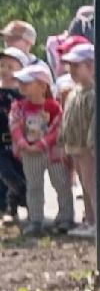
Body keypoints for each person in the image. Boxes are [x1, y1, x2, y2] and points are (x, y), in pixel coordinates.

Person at [9, 62, 69, 236]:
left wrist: (42, 144)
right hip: (29, 152)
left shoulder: (54, 107)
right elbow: (15, 126)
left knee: (61, 183)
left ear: (43, 86)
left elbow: (58, 128)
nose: (22, 86)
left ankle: (65, 216)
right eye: (20, 83)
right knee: (34, 185)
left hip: (52, 152)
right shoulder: (18, 107)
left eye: (27, 83)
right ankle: (35, 218)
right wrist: (23, 144)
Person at [58, 42, 97, 237]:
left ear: (91, 66)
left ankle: (99, 221)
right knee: (85, 186)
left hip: (88, 149)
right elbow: (66, 119)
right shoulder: (73, 92)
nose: (71, 70)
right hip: (74, 147)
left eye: (76, 66)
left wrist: (92, 144)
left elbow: (95, 122)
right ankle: (89, 220)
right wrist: (63, 143)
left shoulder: (95, 93)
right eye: (70, 66)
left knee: (93, 185)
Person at [0, 46, 30, 221]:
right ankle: (24, 198)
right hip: (1, 144)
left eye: (11, 66)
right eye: (2, 65)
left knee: (21, 173)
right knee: (6, 174)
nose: (5, 70)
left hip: (21, 144)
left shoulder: (23, 96)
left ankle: (12, 208)